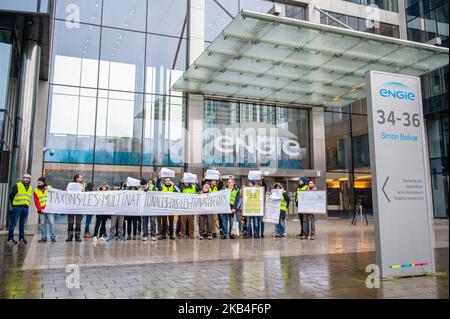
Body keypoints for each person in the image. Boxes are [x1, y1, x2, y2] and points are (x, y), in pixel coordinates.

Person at [8, 174, 33, 244]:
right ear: (22, 178)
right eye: (25, 178)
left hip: (25, 208)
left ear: (29, 179)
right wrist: (13, 205)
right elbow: (11, 196)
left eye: (28, 178)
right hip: (17, 207)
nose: (26, 179)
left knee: (22, 224)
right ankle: (10, 239)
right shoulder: (17, 185)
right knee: (13, 223)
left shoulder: (30, 187)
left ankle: (21, 238)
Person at [34, 177, 55, 243]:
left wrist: (49, 189)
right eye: (38, 182)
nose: (39, 183)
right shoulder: (36, 191)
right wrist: (40, 209)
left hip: (49, 209)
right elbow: (36, 201)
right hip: (41, 210)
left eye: (40, 182)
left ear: (43, 182)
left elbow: (54, 195)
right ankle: (43, 237)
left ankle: (53, 237)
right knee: (42, 224)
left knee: (52, 223)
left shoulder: (49, 188)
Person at [66, 174, 85, 242]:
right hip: (71, 206)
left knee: (78, 222)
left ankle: (77, 236)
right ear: (76, 179)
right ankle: (69, 236)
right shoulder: (70, 185)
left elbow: (84, 194)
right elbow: (66, 192)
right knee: (70, 222)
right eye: (80, 178)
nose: (81, 179)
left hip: (79, 207)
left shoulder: (83, 185)